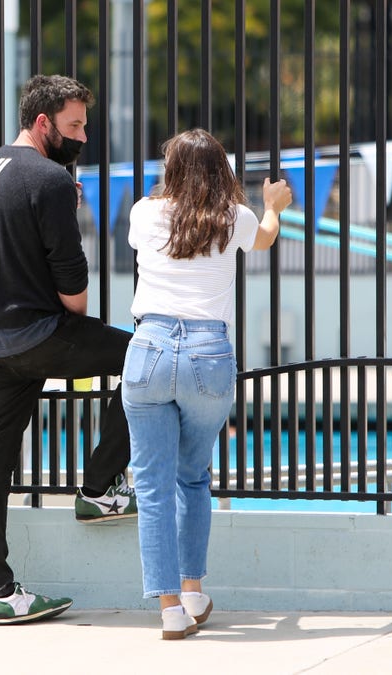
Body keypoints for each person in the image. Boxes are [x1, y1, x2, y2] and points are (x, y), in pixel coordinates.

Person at [0, 74, 138, 626]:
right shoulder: (51, 181)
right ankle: (99, 489)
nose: (83, 135)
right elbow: (76, 296)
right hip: (40, 335)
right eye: (75, 125)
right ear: (44, 124)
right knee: (147, 358)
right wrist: (67, 204)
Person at [123, 128, 292, 640]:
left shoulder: (143, 212)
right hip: (207, 353)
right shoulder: (233, 218)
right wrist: (273, 205)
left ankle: (171, 609)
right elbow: (264, 238)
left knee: (151, 487)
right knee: (193, 479)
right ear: (221, 167)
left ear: (171, 168)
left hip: (148, 347)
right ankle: (194, 591)